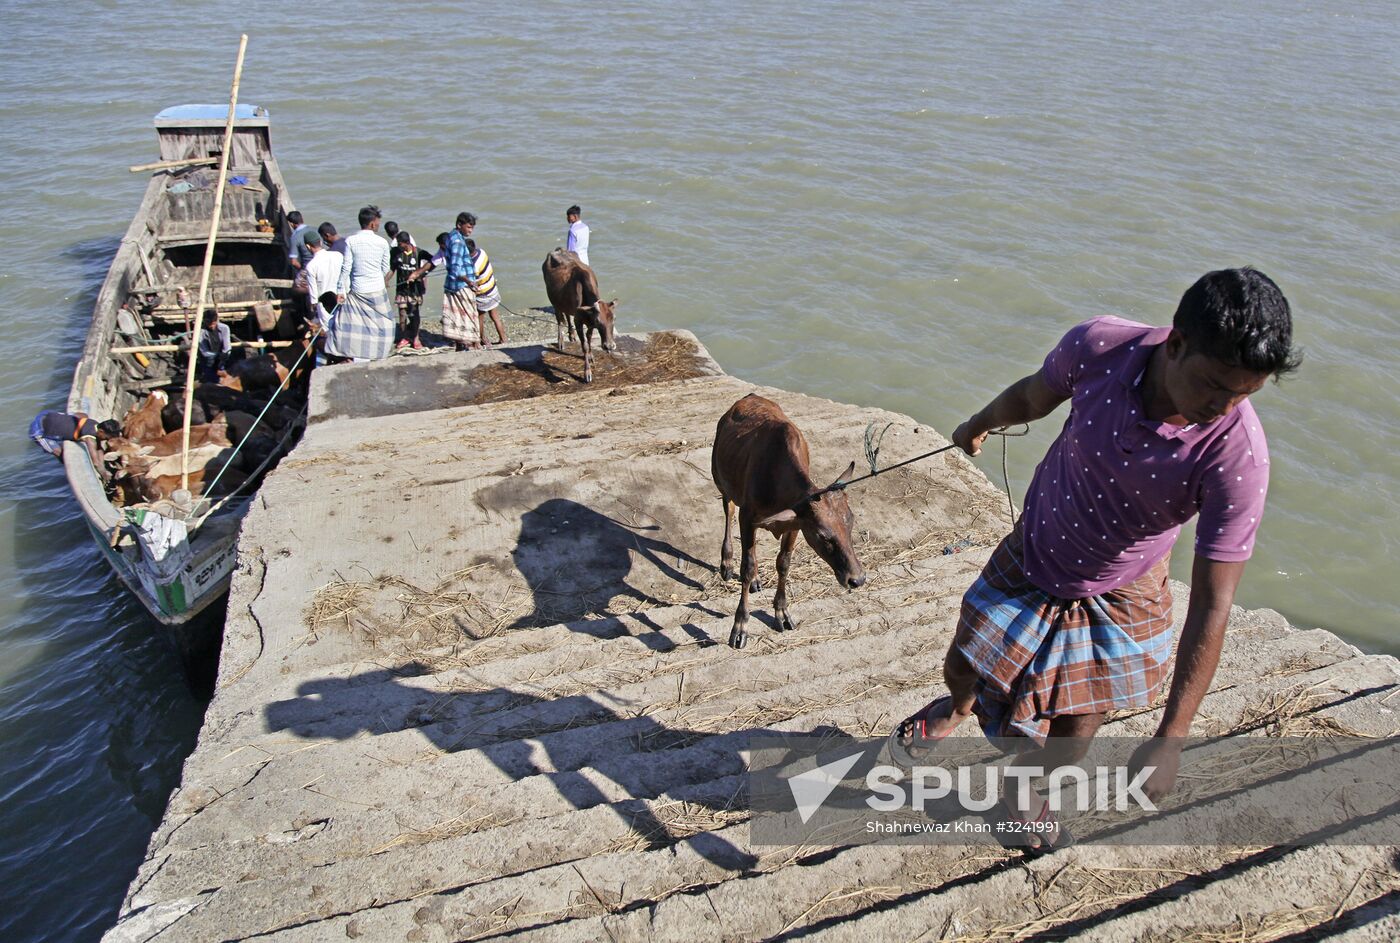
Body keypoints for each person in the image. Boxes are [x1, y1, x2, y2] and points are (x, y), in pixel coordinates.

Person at [891, 268, 1299, 850]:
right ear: (1176, 344)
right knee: (963, 663)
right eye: (1214, 385)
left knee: (1077, 731)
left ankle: (1026, 791)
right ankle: (957, 708)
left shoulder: (1238, 457)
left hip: (1123, 584)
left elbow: (1214, 602)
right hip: (1038, 545)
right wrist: (978, 423)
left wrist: (1171, 738)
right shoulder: (1100, 346)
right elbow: (1032, 396)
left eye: (1243, 394)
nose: (1224, 406)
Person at [326, 205, 394, 362]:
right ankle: (379, 354)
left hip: (358, 291)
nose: (378, 225)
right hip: (377, 290)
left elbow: (346, 268)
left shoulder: (351, 241)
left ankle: (354, 355)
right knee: (385, 325)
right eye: (378, 223)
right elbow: (386, 269)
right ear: (372, 224)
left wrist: (340, 290)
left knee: (354, 326)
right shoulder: (382, 242)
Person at [30, 411, 120, 482]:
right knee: (62, 455)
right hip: (39, 430)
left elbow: (99, 449)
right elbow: (96, 463)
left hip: (47, 414)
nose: (106, 440)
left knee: (82, 416)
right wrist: (104, 474)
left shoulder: (94, 423)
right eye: (106, 438)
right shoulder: (89, 438)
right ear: (101, 431)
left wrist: (103, 466)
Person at [438, 212, 482, 351]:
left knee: (458, 318)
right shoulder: (457, 242)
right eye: (468, 227)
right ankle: (467, 346)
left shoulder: (453, 237)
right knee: (467, 318)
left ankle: (461, 346)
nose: (470, 231)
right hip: (460, 286)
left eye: (472, 228)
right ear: (459, 225)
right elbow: (456, 269)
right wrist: (469, 282)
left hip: (456, 285)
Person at [389, 231, 432, 350]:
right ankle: (404, 337)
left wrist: (421, 274)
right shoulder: (396, 253)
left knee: (414, 314)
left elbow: (433, 261)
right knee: (402, 313)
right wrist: (386, 280)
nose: (398, 246)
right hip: (401, 290)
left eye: (400, 244)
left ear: (407, 242)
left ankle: (416, 337)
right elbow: (392, 269)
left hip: (415, 290)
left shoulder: (418, 252)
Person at [302, 231, 343, 331]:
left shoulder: (311, 266)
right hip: (342, 298)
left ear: (308, 246)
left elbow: (313, 293)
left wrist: (314, 306)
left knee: (330, 330)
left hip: (325, 305)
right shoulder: (338, 255)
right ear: (320, 242)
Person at [197, 308, 231, 381]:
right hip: (208, 359)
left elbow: (227, 347)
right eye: (209, 324)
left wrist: (222, 358)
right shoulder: (200, 331)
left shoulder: (224, 328)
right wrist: (216, 356)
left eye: (213, 324)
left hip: (222, 358)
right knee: (212, 379)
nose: (212, 326)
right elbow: (204, 351)